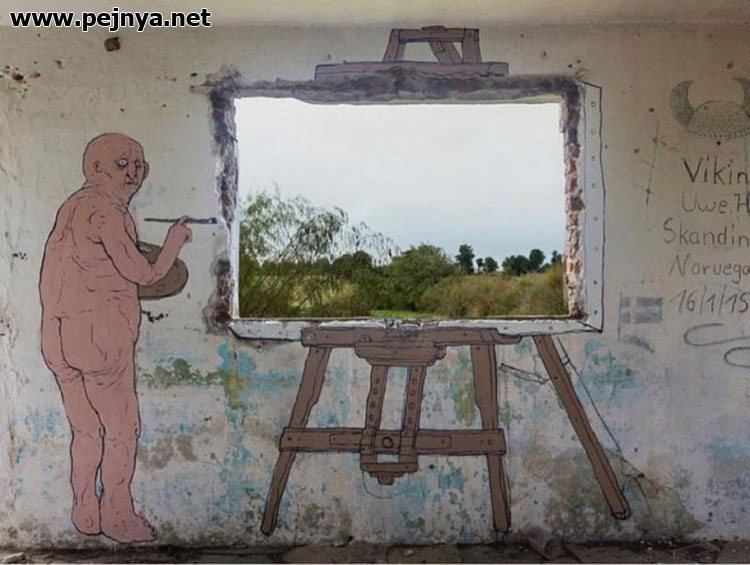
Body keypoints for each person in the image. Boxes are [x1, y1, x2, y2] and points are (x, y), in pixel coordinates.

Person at [39, 133, 192, 543]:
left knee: (86, 430)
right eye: (122, 164)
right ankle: (119, 518)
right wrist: (174, 243)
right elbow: (144, 273)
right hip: (98, 337)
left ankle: (85, 512)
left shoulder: (70, 207)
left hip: (57, 336)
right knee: (122, 430)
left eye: (139, 165)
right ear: (95, 169)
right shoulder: (106, 211)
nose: (133, 174)